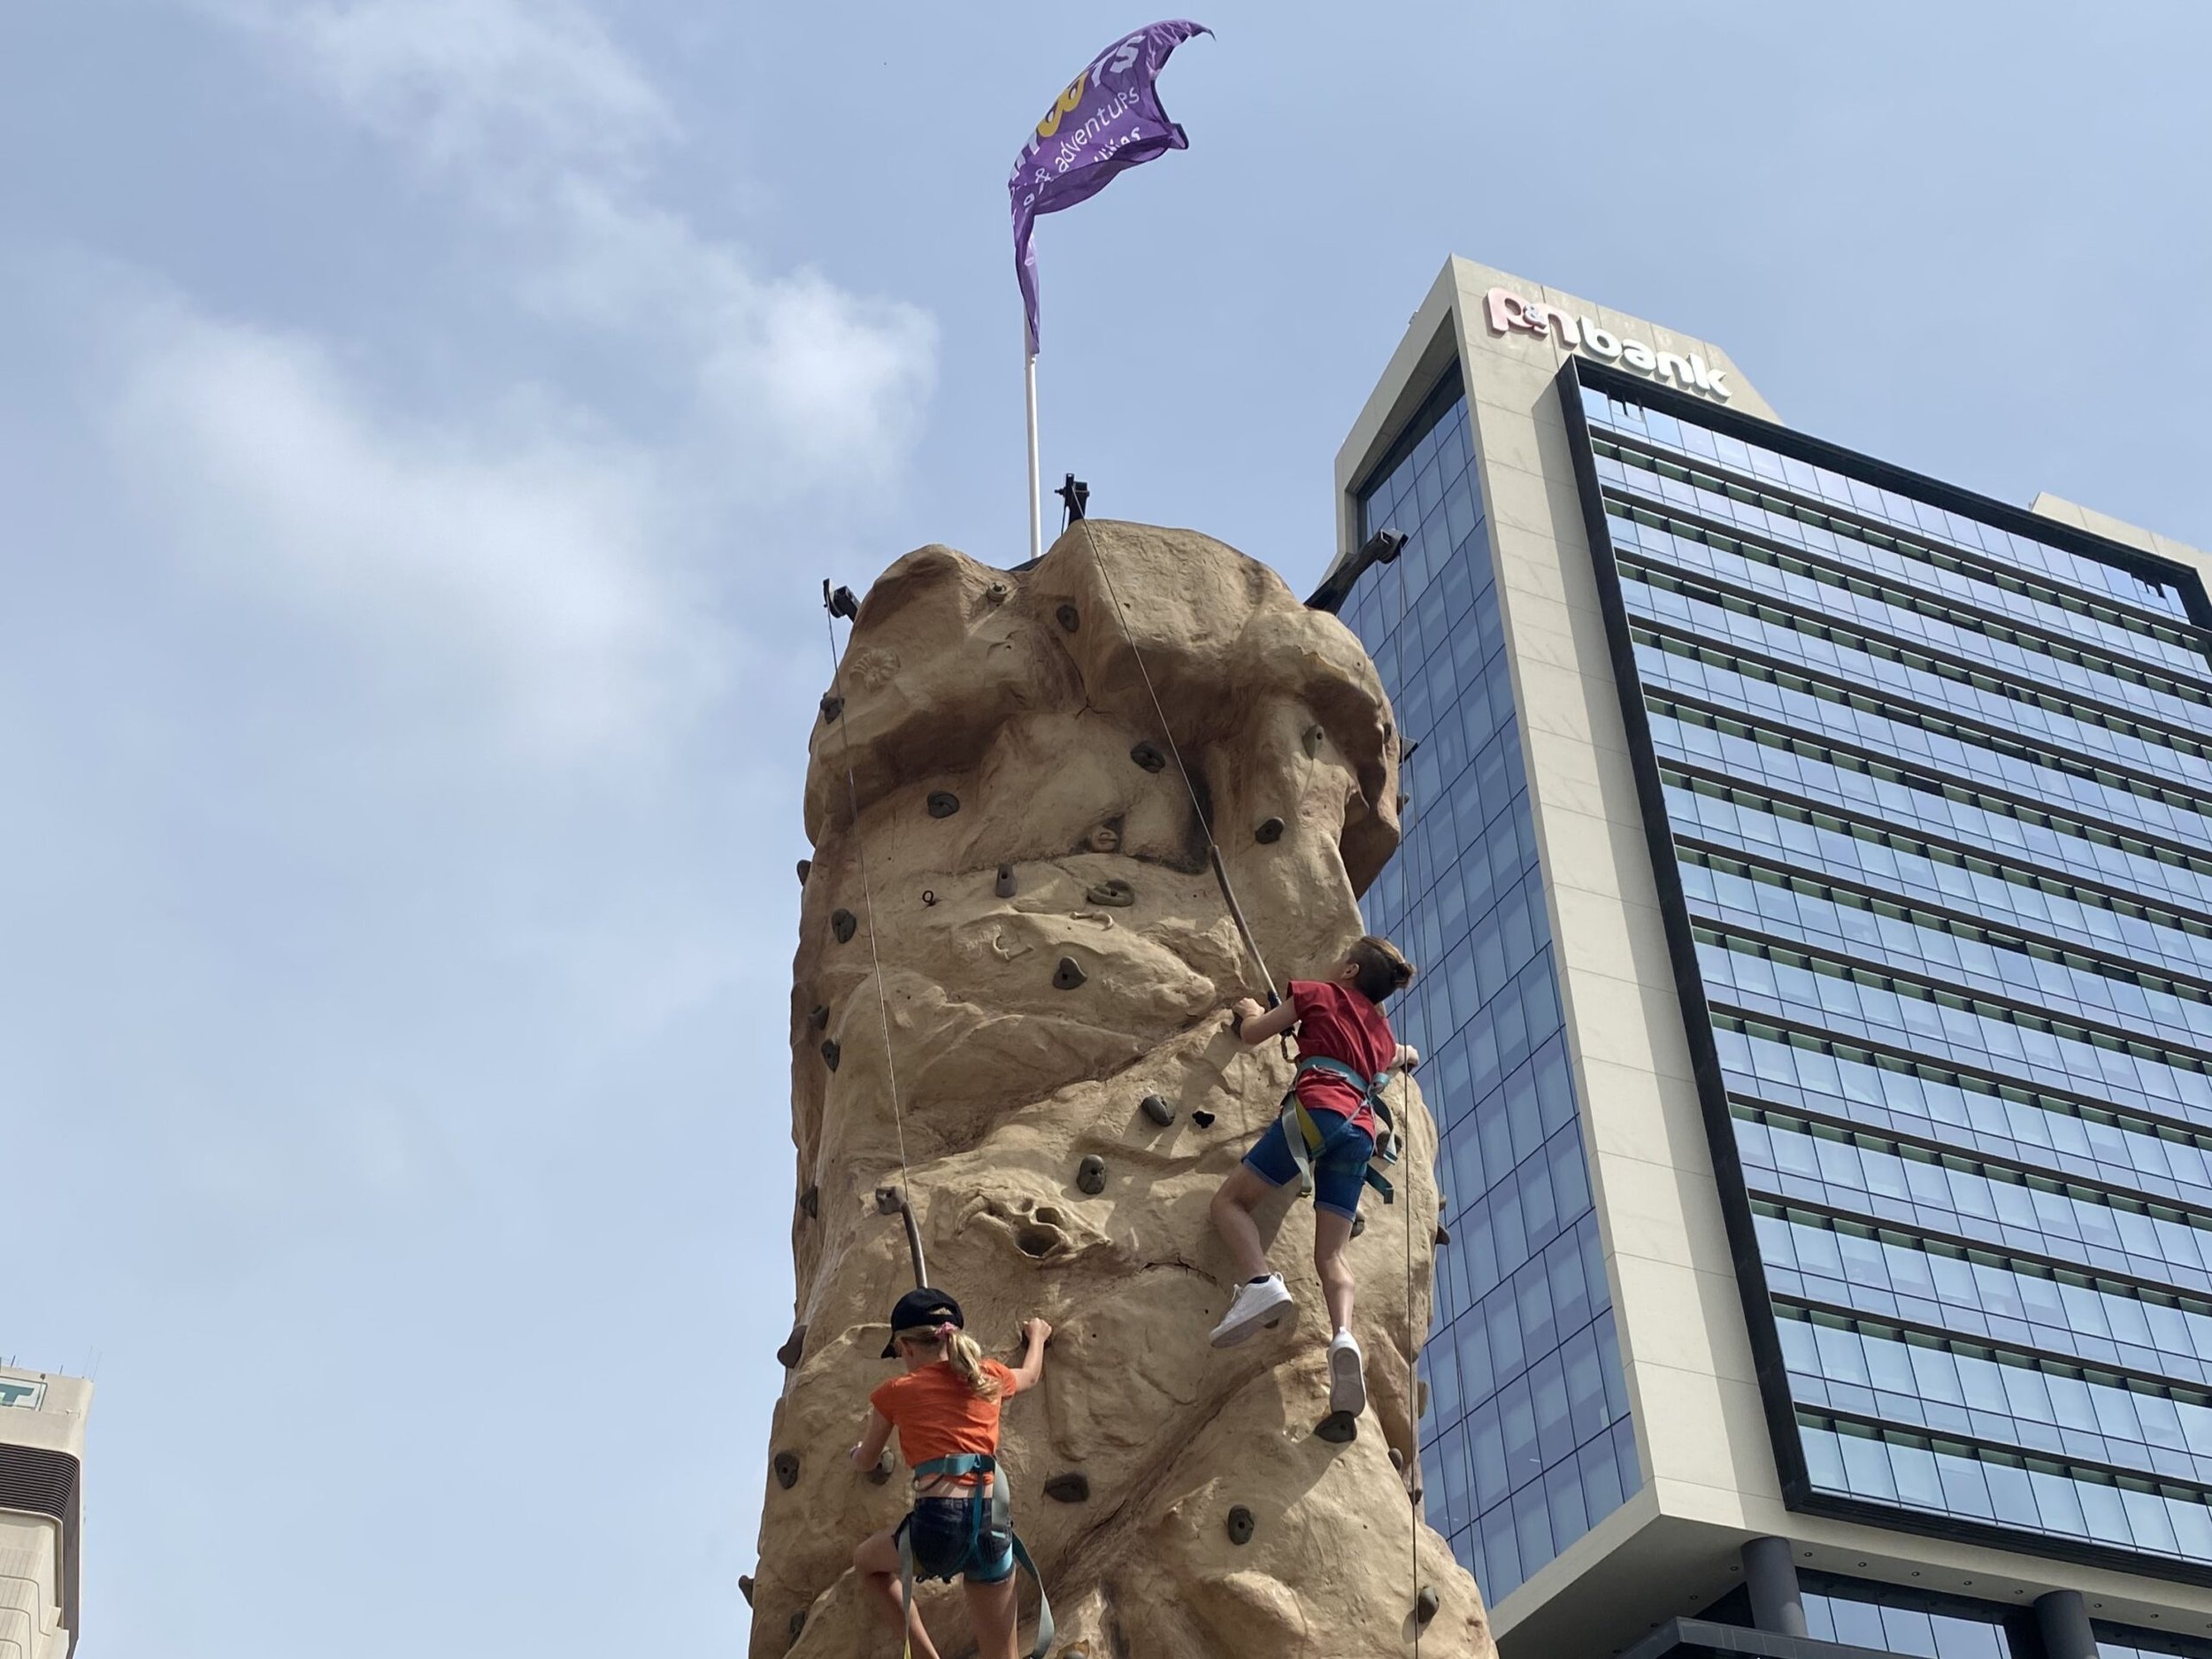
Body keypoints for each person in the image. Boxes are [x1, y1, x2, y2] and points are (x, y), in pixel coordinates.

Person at [1205, 934, 1417, 1417]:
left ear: (1349, 971)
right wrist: (1406, 1054)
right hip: (1360, 1129)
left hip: (1317, 1110)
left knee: (1229, 1204)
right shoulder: (1382, 1036)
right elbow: (1391, 1059)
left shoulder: (1318, 993)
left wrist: (1249, 1009)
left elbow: (1254, 1034)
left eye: (1342, 958)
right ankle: (1343, 1336)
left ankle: (1260, 1284)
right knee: (1333, 1255)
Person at [850, 1287, 1051, 1659]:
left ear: (906, 1348)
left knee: (867, 1562)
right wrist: (1037, 1335)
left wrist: (857, 1455)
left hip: (936, 1530)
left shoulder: (895, 1392)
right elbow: (1031, 1376)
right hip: (991, 1525)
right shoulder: (988, 1376)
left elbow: (866, 1460)